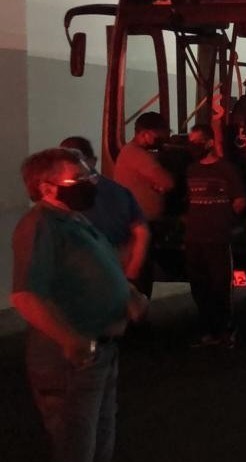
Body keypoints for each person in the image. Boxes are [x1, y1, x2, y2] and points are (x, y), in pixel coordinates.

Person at [11, 147, 148, 462]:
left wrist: (126, 294)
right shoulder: (41, 227)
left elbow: (97, 269)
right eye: (80, 178)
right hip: (71, 364)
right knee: (77, 447)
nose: (92, 182)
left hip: (100, 352)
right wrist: (71, 340)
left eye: (91, 174)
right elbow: (25, 296)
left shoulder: (74, 221)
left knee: (98, 439)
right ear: (47, 188)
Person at [185, 122, 246, 347]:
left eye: (197, 142)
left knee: (220, 286)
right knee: (199, 287)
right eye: (191, 142)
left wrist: (223, 218)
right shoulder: (191, 170)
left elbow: (240, 201)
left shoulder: (226, 170)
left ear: (210, 142)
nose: (193, 146)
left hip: (218, 237)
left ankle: (226, 331)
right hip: (194, 237)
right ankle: (207, 331)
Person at [59, 136, 149, 284]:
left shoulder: (65, 197)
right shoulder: (119, 191)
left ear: (91, 161)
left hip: (88, 275)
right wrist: (133, 269)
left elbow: (141, 231)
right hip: (114, 270)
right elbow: (141, 232)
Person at [114, 111, 174, 297]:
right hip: (140, 224)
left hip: (139, 221)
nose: (161, 140)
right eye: (158, 136)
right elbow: (167, 182)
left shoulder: (132, 153)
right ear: (145, 133)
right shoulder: (138, 155)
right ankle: (137, 317)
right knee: (140, 275)